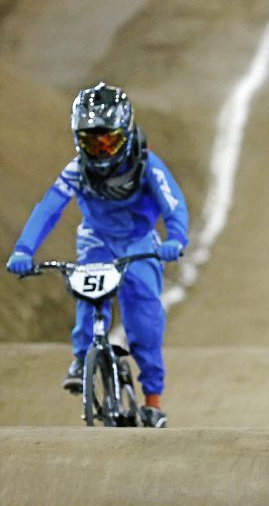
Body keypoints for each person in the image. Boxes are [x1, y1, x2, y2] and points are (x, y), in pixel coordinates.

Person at [6, 82, 189, 427]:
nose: (101, 150)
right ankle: (81, 358)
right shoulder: (77, 169)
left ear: (125, 133)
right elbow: (48, 208)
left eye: (109, 140)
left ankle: (152, 400)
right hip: (97, 241)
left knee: (145, 322)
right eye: (92, 141)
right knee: (88, 299)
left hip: (140, 243)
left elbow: (174, 204)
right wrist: (24, 249)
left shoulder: (146, 164)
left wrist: (175, 239)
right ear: (79, 139)